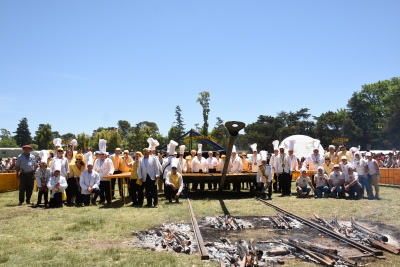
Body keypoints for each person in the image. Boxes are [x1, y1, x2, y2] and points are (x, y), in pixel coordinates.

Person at [93, 139, 114, 205]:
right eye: (100, 154)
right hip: (100, 178)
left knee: (107, 190)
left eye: (103, 154)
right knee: (101, 190)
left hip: (107, 177)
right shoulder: (96, 161)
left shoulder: (108, 160)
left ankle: (109, 200)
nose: (102, 155)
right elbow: (94, 169)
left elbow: (112, 168)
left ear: (105, 155)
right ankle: (102, 200)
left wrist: (110, 173)